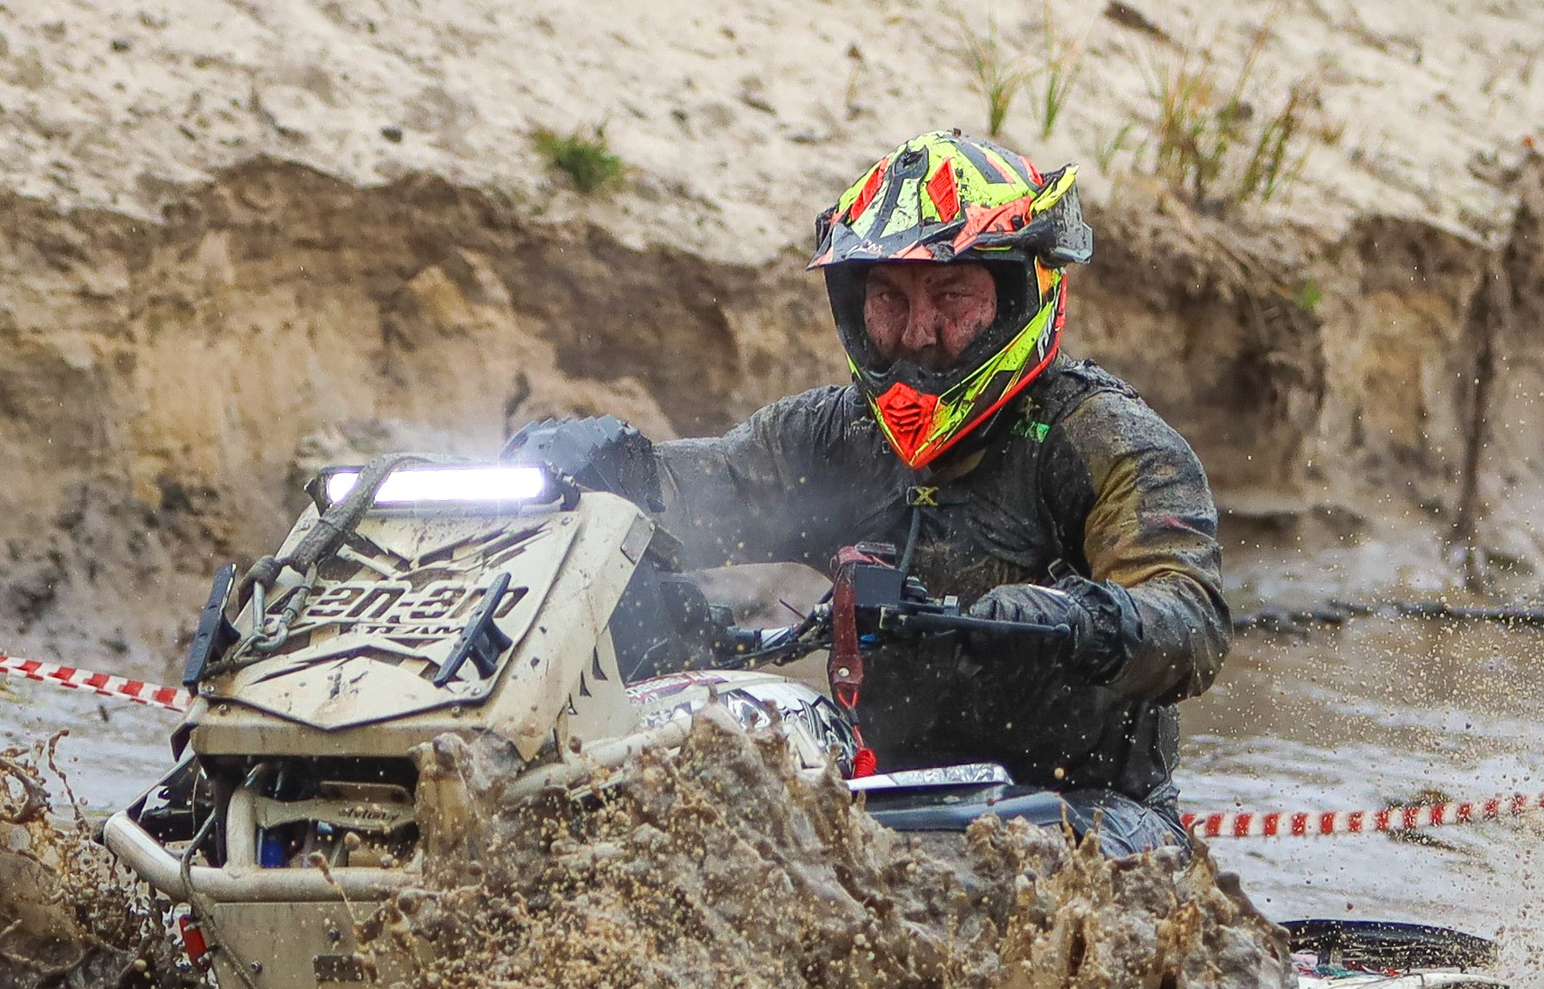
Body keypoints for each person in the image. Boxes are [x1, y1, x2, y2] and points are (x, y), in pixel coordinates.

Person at [522, 131, 1230, 855]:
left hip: (1096, 812)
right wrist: (607, 470)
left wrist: (1071, 620)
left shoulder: (1101, 438)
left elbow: (1193, 615)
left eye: (952, 295)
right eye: (889, 297)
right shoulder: (834, 439)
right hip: (879, 808)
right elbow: (700, 491)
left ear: (1021, 292)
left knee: (984, 859)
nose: (918, 334)